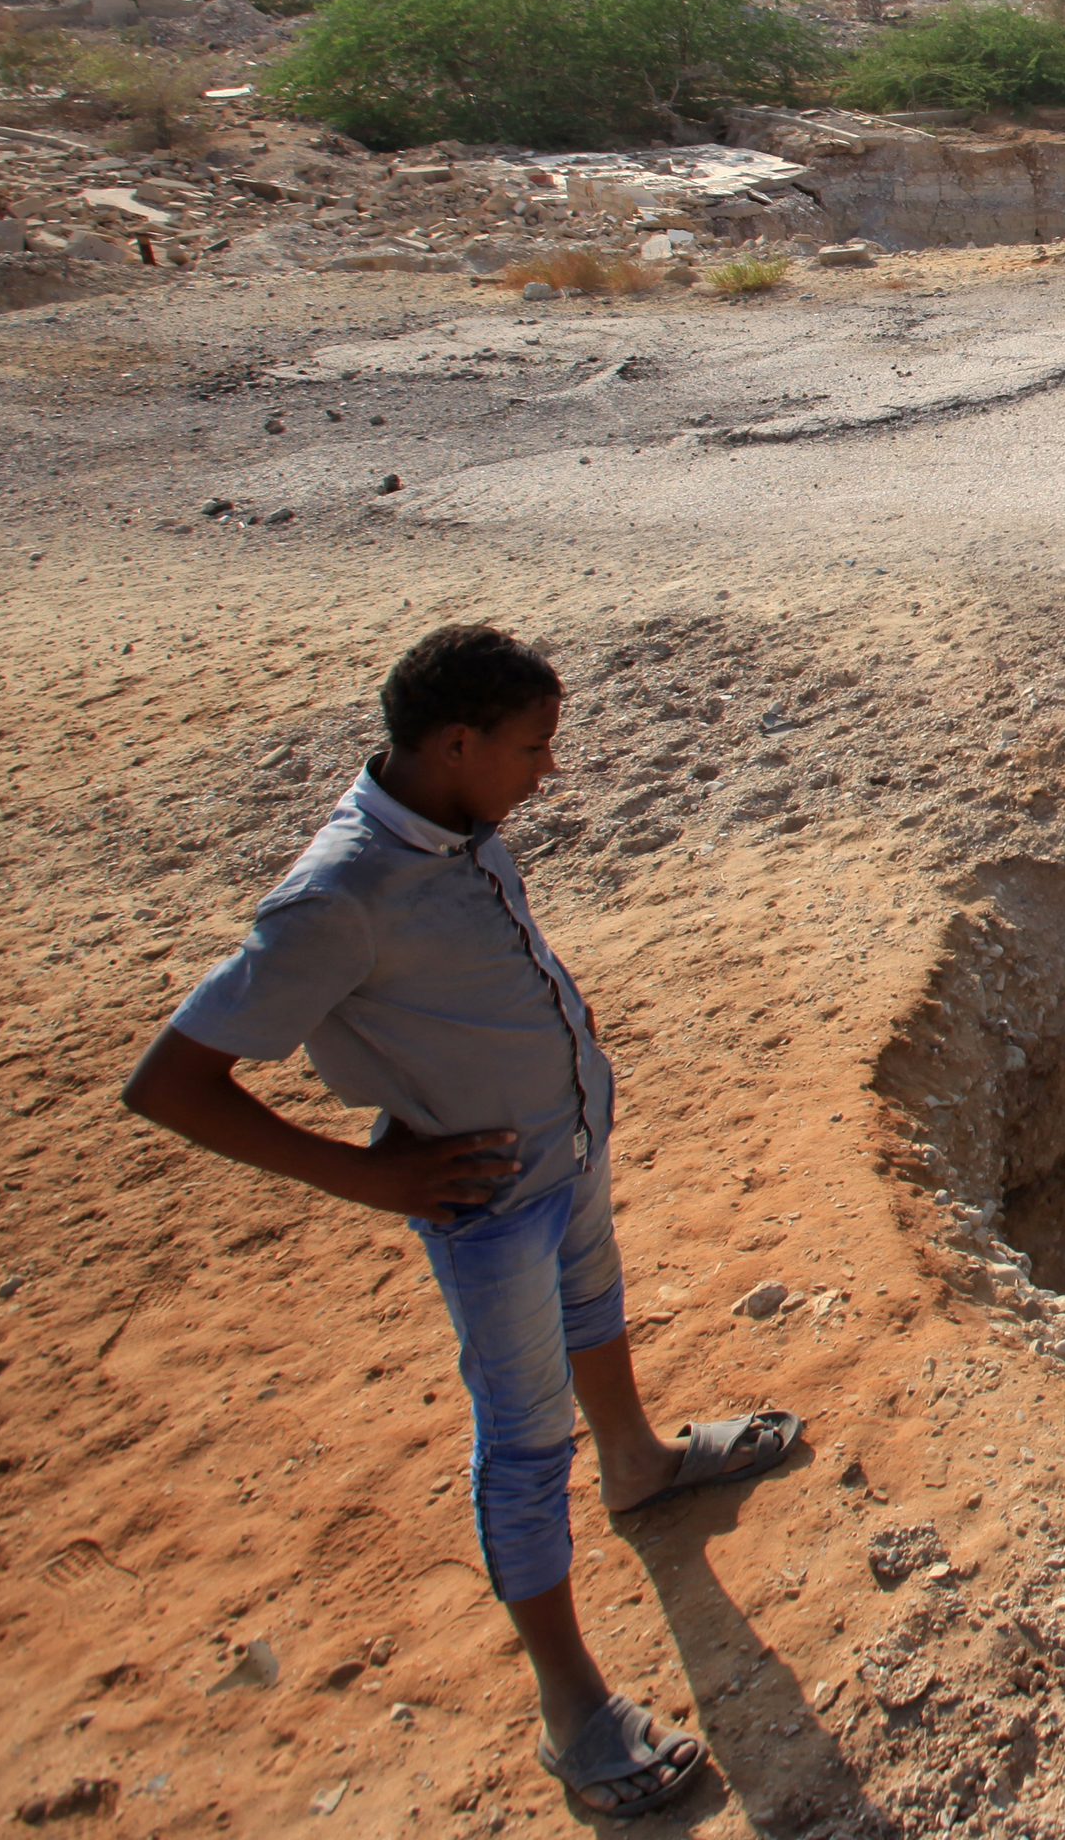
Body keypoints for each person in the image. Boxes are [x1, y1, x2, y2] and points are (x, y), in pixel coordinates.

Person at [123, 623, 800, 1821]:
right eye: (534, 746)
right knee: (525, 1444)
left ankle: (640, 1465)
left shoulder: (459, 825)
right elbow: (170, 1082)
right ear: (455, 743)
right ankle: (572, 1706)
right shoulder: (339, 896)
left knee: (596, 1312)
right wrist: (369, 1177)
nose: (551, 770)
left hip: (566, 1151)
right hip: (488, 1207)